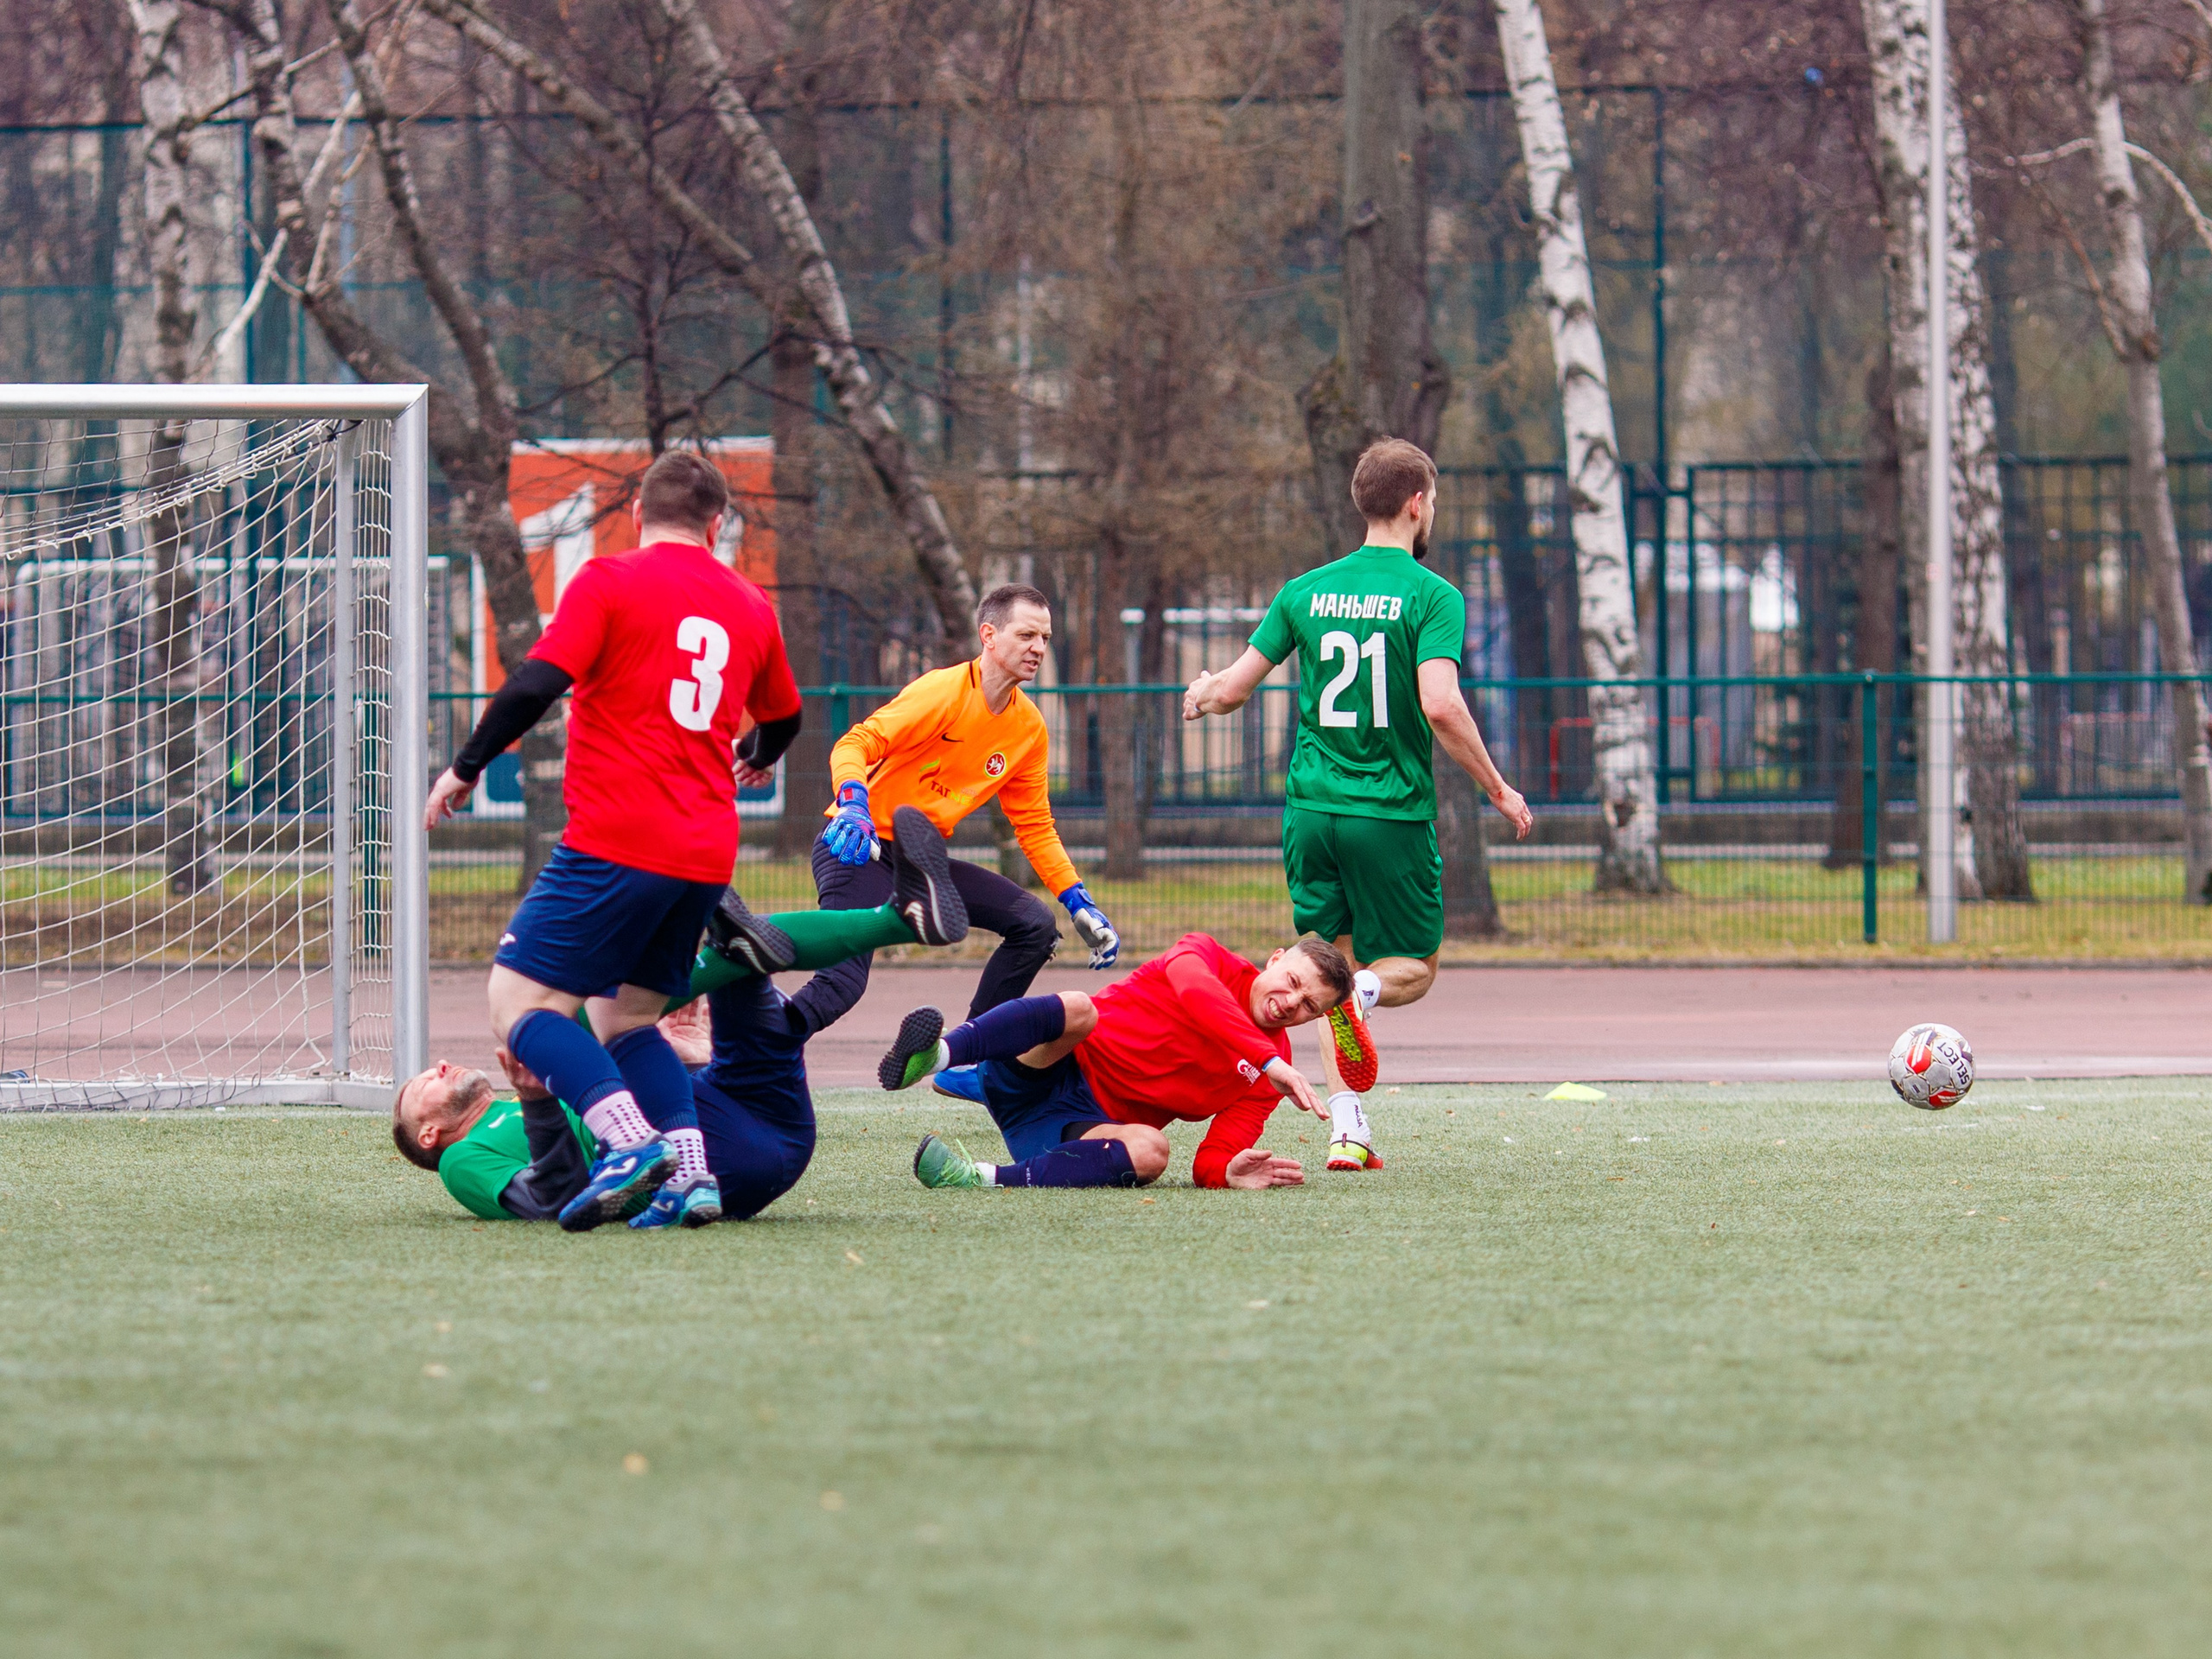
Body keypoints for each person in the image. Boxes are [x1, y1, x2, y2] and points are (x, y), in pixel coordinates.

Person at [421, 451, 950, 1232]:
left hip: (615, 833)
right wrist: (759, 758)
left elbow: (538, 680)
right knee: (627, 1020)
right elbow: (786, 718)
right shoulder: (748, 603)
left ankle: (632, 1145)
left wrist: (465, 767)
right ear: (717, 524)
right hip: (705, 849)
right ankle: (692, 1175)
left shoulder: (607, 581)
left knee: (516, 1003)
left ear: (637, 514)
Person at [1183, 438, 1535, 1172]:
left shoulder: (1305, 590)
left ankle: (1349, 1128)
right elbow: (1440, 704)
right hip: (1390, 815)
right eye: (1431, 499)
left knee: (1319, 970)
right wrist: (1497, 788)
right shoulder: (1433, 596)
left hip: (1311, 812)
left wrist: (1203, 692)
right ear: (1416, 503)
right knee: (1409, 969)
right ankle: (1364, 994)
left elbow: (1233, 689)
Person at [391, 843, 967, 1225]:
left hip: (748, 1110)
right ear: (429, 1134)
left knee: (743, 959)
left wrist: (681, 1059)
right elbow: (552, 1199)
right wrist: (542, 1103)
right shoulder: (461, 1161)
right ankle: (680, 910)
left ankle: (902, 916)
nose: (438, 1065)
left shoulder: (531, 1092)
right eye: (423, 1086)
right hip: (725, 1160)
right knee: (581, 1016)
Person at [806, 582, 1119, 1096]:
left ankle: (965, 1059)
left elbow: (1035, 825)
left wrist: (1075, 897)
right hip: (859, 849)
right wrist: (854, 802)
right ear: (989, 636)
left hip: (920, 864)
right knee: (842, 985)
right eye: (1026, 634)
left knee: (1033, 924)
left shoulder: (1028, 729)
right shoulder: (942, 692)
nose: (1038, 648)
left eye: (1044, 637)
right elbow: (856, 742)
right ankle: (755, 1049)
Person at [878, 932, 1353, 1192]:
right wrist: (1267, 1059)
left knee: (1152, 1151)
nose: (1292, 1002)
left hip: (1070, 1131)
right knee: (1081, 1009)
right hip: (1040, 1067)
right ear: (1274, 959)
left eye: (1309, 1005)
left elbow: (1211, 1158)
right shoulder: (1203, 954)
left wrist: (1225, 1172)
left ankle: (975, 1177)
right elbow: (1198, 995)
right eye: (1292, 981)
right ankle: (938, 1054)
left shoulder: (1270, 1075)